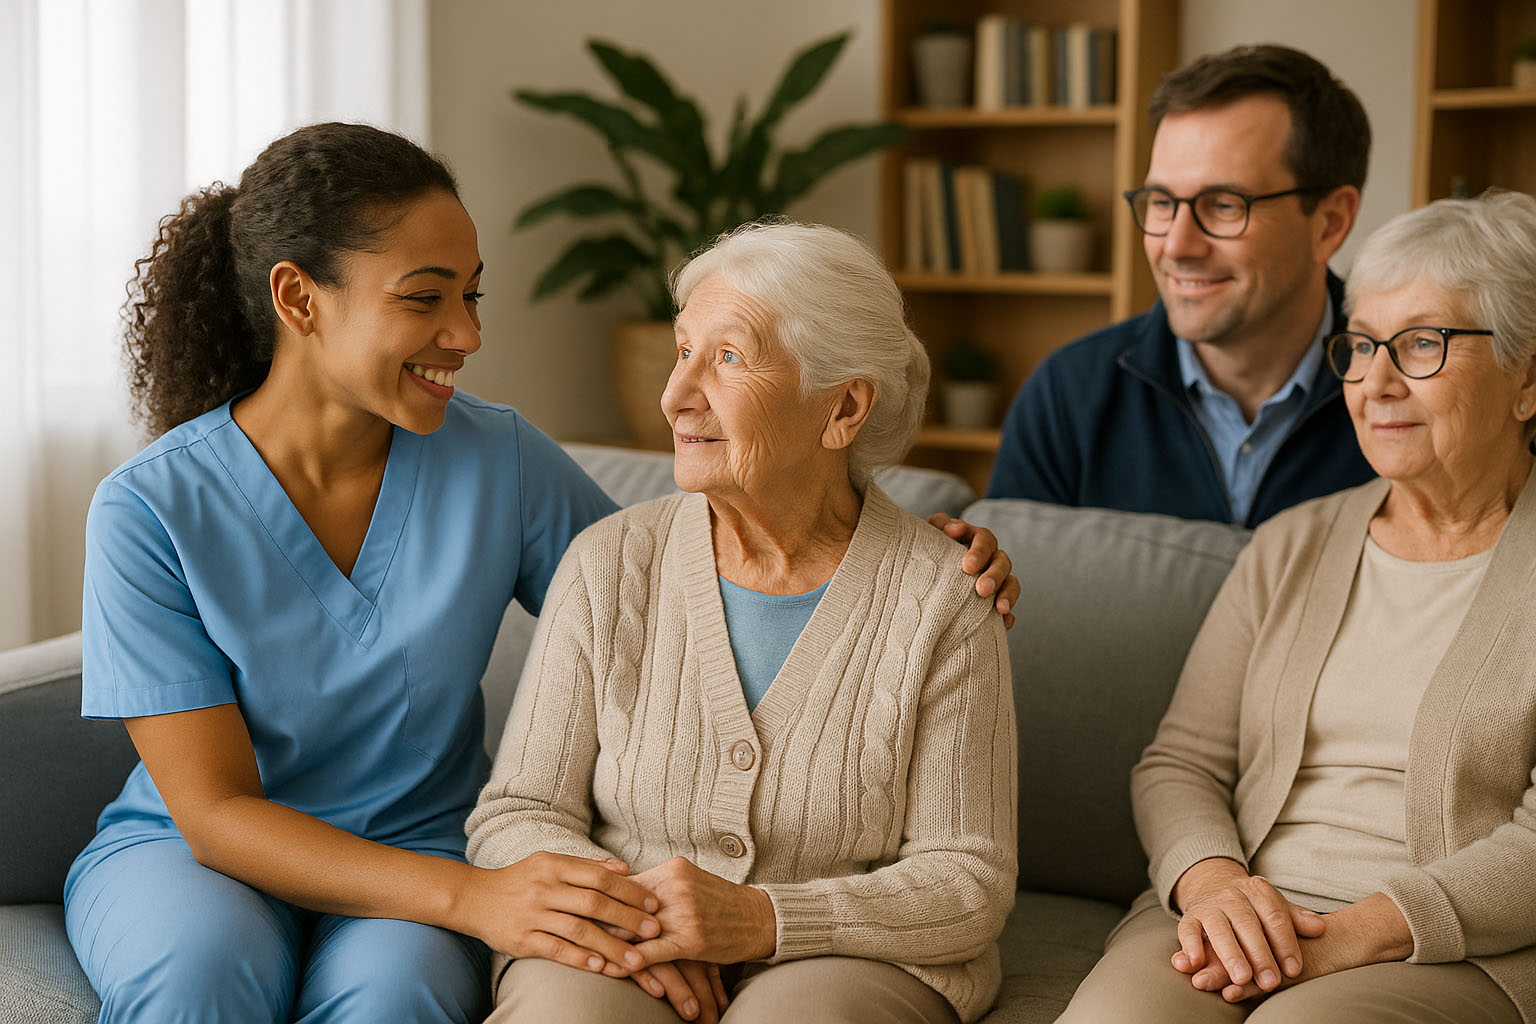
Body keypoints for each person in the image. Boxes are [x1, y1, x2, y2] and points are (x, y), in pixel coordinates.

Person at [63, 124, 1019, 1024]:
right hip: (208, 859)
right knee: (198, 970)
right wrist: (481, 897)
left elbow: (691, 583)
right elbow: (217, 813)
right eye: (425, 297)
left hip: (415, 846)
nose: (468, 336)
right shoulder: (150, 508)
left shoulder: (499, 460)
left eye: (472, 296)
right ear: (299, 300)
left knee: (396, 999)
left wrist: (898, 556)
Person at [465, 221, 1018, 1024]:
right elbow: (518, 814)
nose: (675, 395)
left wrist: (761, 921)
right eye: (682, 350)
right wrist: (648, 920)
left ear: (844, 407)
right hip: (625, 944)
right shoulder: (609, 563)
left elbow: (966, 879)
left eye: (726, 357)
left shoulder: (942, 598)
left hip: (850, 960)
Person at [1057, 190, 1536, 1022]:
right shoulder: (1290, 545)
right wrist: (1213, 883)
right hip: (1236, 917)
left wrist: (1353, 935)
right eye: (1358, 346)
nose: (1375, 382)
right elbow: (1182, 763)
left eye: (1421, 343)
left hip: (1445, 945)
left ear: (1526, 380)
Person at [987, 45, 1376, 526]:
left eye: (1225, 205)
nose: (1176, 246)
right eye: (1162, 202)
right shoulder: (1068, 396)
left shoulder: (1402, 398)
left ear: (1330, 223)